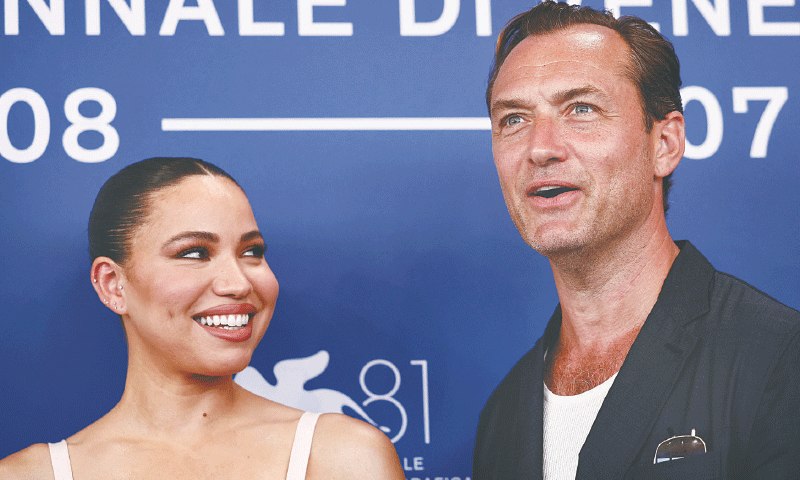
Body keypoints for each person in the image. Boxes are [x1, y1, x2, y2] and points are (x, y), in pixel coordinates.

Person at [472, 2, 800, 479]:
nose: (540, 147)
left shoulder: (779, 361)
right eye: (513, 120)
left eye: (580, 109)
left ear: (664, 144)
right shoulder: (503, 417)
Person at [0, 157, 406, 480]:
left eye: (252, 251)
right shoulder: (31, 474)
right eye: (193, 253)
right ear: (113, 285)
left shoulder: (344, 456)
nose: (238, 282)